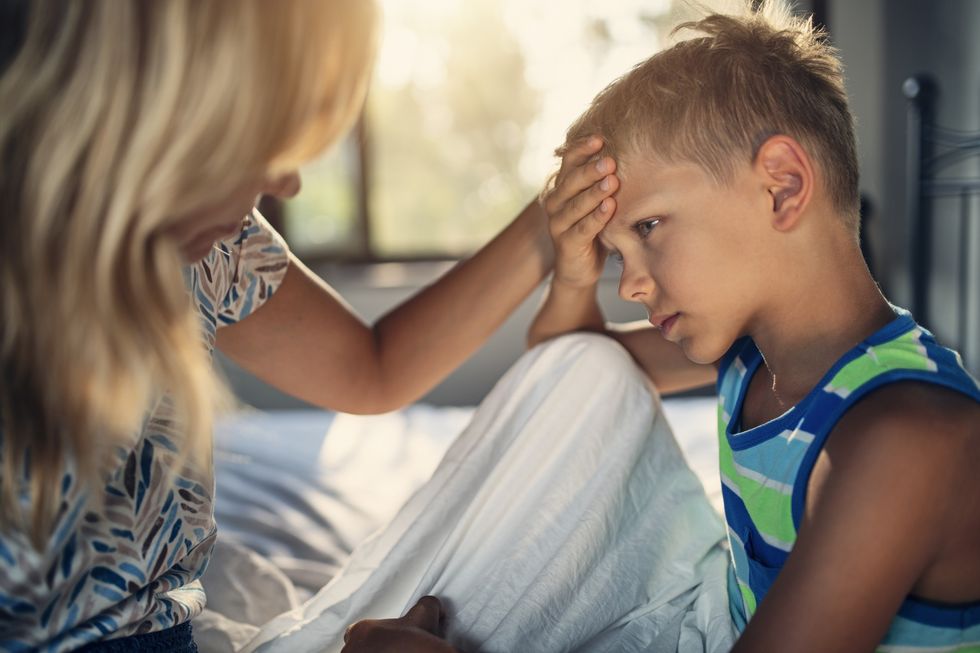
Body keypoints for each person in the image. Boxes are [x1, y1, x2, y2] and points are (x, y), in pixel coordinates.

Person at [339, 1, 980, 651]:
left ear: (783, 187)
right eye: (617, 253)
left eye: (648, 227)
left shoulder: (906, 438)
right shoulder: (750, 355)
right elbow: (568, 376)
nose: (630, 285)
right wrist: (574, 275)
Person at [0, 1, 562, 650]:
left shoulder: (211, 244)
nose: (287, 183)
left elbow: (371, 367)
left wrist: (556, 211)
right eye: (261, 138)